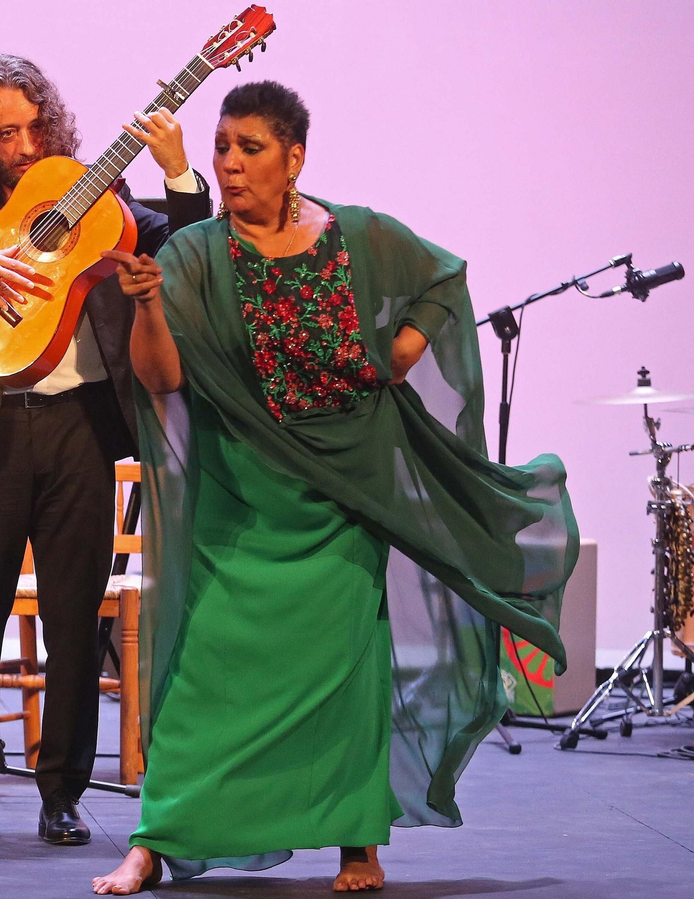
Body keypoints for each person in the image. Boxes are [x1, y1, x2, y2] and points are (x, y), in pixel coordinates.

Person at [92, 81, 576, 893]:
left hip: (343, 490)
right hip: (239, 495)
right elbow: (162, 377)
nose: (231, 164)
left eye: (250, 148)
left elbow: (443, 279)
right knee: (204, 665)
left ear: (294, 158)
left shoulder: (355, 235)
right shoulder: (195, 250)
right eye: (222, 148)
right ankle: (155, 835)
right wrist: (144, 308)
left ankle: (359, 841)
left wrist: (398, 357)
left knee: (350, 667)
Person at [0, 54, 210, 845]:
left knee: (71, 622)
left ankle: (62, 792)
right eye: (5, 132)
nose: (23, 147)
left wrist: (181, 170)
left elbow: (191, 253)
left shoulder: (95, 193)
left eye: (34, 128)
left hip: (79, 427)